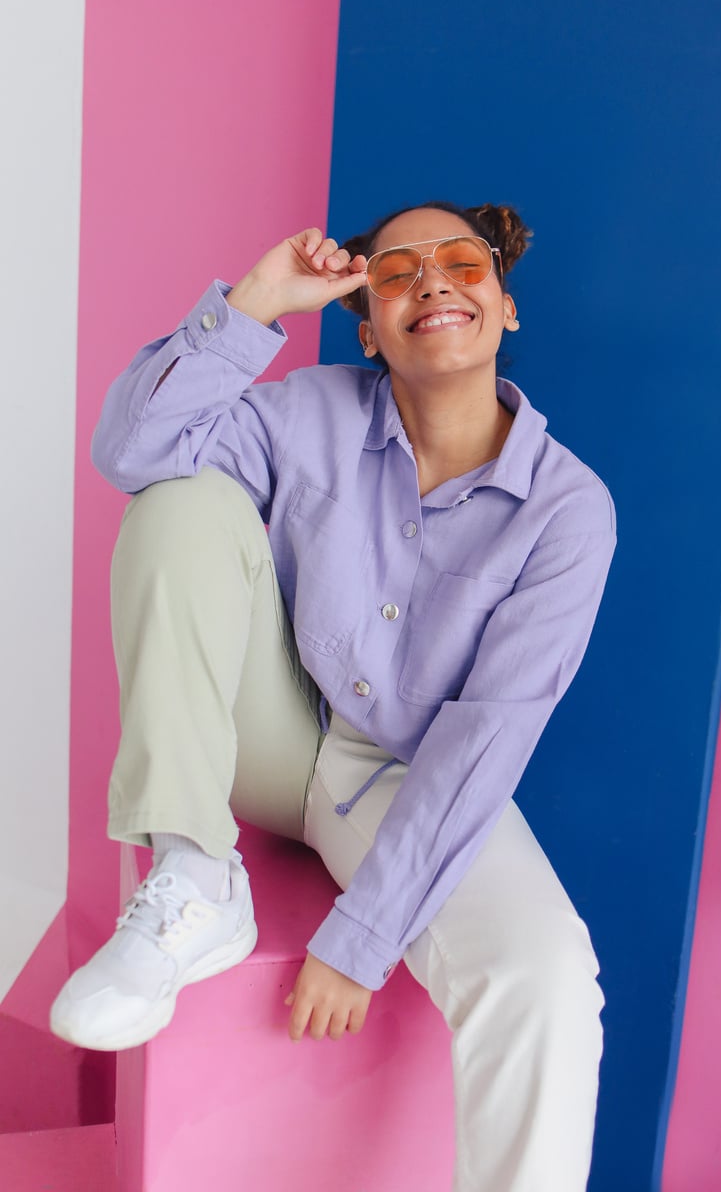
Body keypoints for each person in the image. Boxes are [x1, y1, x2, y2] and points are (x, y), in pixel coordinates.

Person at [50, 200, 616, 1191]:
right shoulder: (311, 407)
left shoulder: (567, 512)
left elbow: (485, 738)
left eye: (460, 264)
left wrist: (362, 942)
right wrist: (260, 300)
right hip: (270, 732)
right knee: (179, 500)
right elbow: (132, 453)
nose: (432, 282)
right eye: (396, 271)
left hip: (406, 775)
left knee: (548, 977)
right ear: (366, 321)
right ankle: (192, 872)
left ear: (505, 306)